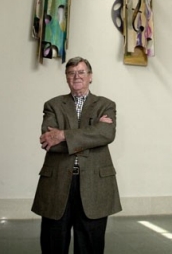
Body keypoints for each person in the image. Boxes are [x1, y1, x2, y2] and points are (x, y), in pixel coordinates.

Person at [32, 56, 122, 254]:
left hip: (94, 184)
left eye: (81, 72)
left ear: (90, 77)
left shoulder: (106, 105)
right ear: (66, 78)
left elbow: (106, 134)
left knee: (90, 245)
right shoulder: (53, 105)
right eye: (72, 73)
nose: (77, 76)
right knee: (53, 244)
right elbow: (49, 142)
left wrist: (63, 134)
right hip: (57, 184)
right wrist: (91, 135)